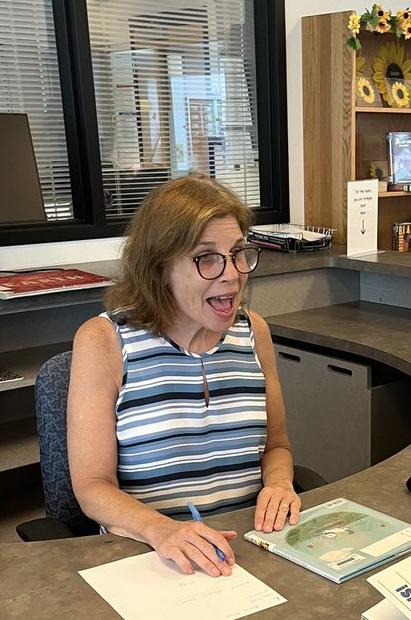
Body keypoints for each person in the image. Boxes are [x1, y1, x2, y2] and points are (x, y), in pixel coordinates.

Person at [68, 175, 300, 577]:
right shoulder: (103, 341)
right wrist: (162, 530)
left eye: (238, 253)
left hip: (249, 550)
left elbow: (276, 446)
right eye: (206, 257)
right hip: (153, 558)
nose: (232, 274)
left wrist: (279, 485)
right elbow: (91, 485)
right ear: (159, 268)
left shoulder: (254, 332)